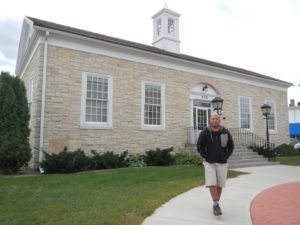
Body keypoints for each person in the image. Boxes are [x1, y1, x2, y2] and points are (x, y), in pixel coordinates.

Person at [197, 112, 234, 216]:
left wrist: (226, 156)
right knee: (212, 182)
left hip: (222, 162)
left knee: (219, 184)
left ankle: (216, 204)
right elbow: (199, 146)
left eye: (216, 119)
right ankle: (216, 204)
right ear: (210, 120)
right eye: (213, 119)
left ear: (219, 120)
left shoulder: (225, 132)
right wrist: (205, 155)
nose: (214, 120)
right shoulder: (205, 132)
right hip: (209, 162)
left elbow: (231, 146)